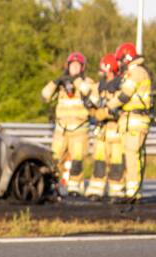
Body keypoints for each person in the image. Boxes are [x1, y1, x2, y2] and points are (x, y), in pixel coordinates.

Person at [40, 52, 95, 197]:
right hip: (61, 130)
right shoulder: (61, 84)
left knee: (77, 159)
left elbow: (88, 91)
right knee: (54, 159)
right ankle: (52, 185)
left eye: (78, 65)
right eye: (72, 65)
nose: (75, 68)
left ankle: (75, 187)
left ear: (82, 67)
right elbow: (45, 95)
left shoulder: (87, 81)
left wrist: (76, 81)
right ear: (67, 66)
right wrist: (56, 82)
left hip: (79, 129)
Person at [107, 42, 153, 201]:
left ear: (126, 58)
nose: (119, 64)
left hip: (135, 120)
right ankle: (132, 189)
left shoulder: (137, 72)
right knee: (131, 156)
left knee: (132, 156)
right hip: (130, 120)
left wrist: (109, 105)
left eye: (120, 60)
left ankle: (133, 192)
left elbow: (125, 94)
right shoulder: (133, 72)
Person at [85, 53, 123, 200]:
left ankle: (116, 191)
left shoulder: (120, 86)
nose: (102, 73)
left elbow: (118, 109)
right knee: (99, 162)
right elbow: (92, 106)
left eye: (104, 70)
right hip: (101, 132)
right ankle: (95, 190)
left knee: (117, 163)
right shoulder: (98, 86)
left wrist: (104, 113)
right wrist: (92, 110)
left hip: (116, 132)